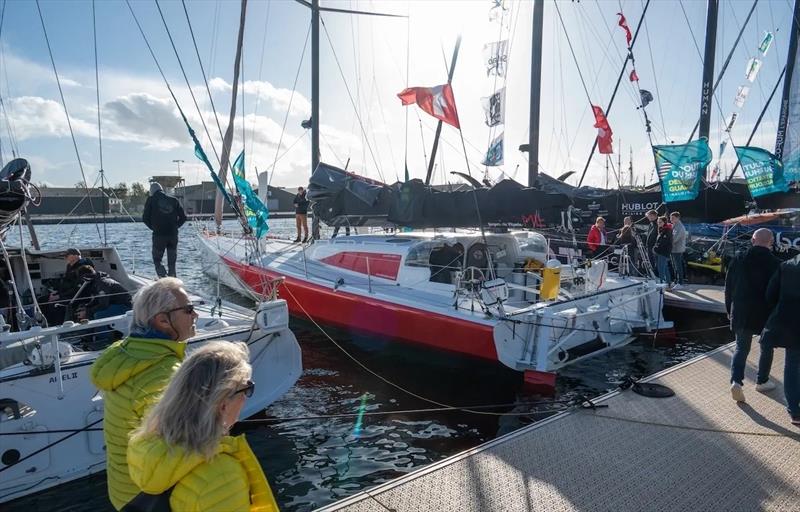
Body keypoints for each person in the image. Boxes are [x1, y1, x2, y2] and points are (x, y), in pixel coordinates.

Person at [127, 341, 280, 511]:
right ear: (222, 404)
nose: (246, 398)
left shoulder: (151, 450)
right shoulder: (223, 476)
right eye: (247, 388)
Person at [90, 278, 198, 510]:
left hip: (124, 490)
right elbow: (173, 448)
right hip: (149, 498)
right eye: (188, 309)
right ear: (162, 321)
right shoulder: (163, 374)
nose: (195, 315)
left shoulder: (125, 353)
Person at [724, 228, 780, 403]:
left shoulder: (738, 259)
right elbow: (779, 292)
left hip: (741, 310)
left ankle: (736, 382)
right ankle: (762, 381)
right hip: (765, 312)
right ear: (771, 242)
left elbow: (728, 287)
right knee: (767, 347)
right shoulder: (776, 263)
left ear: (753, 240)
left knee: (741, 347)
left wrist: (728, 309)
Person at [761, 252, 800, 425]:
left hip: (789, 323)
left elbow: (770, 294)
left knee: (791, 364)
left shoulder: (786, 266)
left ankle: (794, 410)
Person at [143, 182, 187, 278]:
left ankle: (164, 279)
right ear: (161, 189)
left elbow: (145, 219)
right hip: (173, 235)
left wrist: (154, 227)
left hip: (159, 236)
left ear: (152, 191)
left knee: (157, 260)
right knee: (172, 263)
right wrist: (175, 227)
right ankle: (173, 283)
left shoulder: (150, 200)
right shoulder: (174, 200)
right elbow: (183, 217)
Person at [653, 216, 673, 285]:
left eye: (660, 222)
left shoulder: (667, 230)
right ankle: (668, 283)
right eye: (658, 222)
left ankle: (662, 283)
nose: (658, 223)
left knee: (661, 268)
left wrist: (655, 248)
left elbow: (663, 242)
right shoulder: (662, 229)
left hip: (664, 252)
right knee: (665, 267)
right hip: (660, 251)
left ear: (664, 222)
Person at [670, 211, 687, 287]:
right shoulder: (675, 225)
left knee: (678, 266)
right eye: (670, 218)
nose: (671, 219)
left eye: (673, 218)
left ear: (677, 218)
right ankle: (677, 281)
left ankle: (680, 282)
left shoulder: (679, 227)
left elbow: (675, 238)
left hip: (677, 249)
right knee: (675, 266)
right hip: (674, 249)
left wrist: (667, 242)